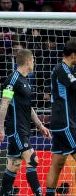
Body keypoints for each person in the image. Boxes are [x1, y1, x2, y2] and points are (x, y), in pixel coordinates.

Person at [0, 49, 51, 196]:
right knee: (33, 160)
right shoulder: (13, 79)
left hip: (24, 128)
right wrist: (0, 127)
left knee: (13, 167)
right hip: (16, 128)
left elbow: (28, 107)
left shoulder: (25, 80)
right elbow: (5, 102)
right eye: (32, 60)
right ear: (27, 61)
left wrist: (40, 125)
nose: (34, 62)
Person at [45, 40, 76, 196]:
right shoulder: (61, 68)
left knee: (57, 164)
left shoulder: (68, 69)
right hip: (65, 123)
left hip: (61, 122)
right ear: (73, 55)